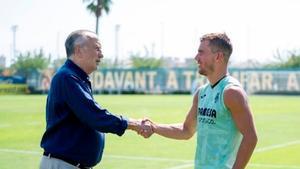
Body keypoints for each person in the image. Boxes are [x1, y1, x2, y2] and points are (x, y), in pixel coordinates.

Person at [39, 30, 152, 169]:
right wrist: (134, 124)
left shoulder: (75, 77)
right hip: (63, 165)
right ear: (79, 50)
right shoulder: (67, 77)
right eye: (97, 48)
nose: (101, 54)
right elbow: (94, 116)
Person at [143, 33, 258, 169]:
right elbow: (186, 130)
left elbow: (251, 137)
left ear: (218, 56)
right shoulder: (201, 93)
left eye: (201, 52)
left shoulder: (231, 92)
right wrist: (154, 127)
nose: (196, 58)